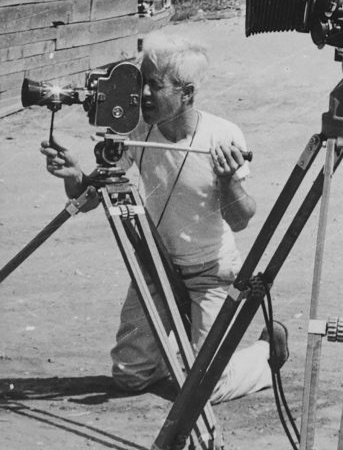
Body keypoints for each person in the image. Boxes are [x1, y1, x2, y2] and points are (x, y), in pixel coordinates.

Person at [40, 31, 288, 403]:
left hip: (209, 274)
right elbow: (92, 195)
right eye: (142, 82)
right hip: (156, 267)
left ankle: (266, 352)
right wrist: (75, 176)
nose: (142, 95)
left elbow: (241, 218)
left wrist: (226, 182)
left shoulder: (222, 134)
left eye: (154, 85)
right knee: (129, 378)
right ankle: (178, 354)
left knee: (207, 389)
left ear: (186, 93)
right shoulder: (138, 128)